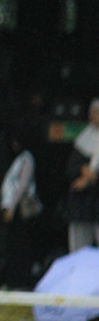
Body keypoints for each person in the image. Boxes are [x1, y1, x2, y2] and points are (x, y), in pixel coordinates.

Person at [0, 127, 42, 288]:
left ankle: (21, 281)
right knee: (14, 245)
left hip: (20, 210)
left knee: (20, 246)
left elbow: (22, 186)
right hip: (13, 209)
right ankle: (13, 279)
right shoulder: (19, 159)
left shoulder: (27, 159)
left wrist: (11, 207)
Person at [63, 98, 99, 251]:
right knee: (80, 251)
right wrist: (85, 171)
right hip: (83, 205)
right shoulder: (83, 139)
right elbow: (72, 167)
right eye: (94, 113)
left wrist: (90, 179)